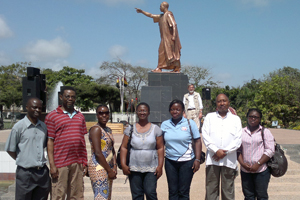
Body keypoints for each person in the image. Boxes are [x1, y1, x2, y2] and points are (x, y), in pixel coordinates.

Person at [45, 86, 88, 200]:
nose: (70, 99)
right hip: (60, 163)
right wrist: (52, 165)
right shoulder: (52, 116)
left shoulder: (80, 116)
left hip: (77, 162)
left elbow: (81, 141)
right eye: (67, 96)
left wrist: (84, 161)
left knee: (77, 195)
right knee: (58, 195)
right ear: (61, 97)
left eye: (72, 97)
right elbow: (50, 141)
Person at [5, 97, 51, 199]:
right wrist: (23, 159)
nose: (37, 110)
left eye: (39, 108)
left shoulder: (43, 127)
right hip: (26, 173)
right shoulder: (18, 127)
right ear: (27, 108)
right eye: (34, 107)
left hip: (42, 173)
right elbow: (10, 149)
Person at [120, 102, 164, 200]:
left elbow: (160, 148)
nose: (142, 112)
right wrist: (123, 164)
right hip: (134, 167)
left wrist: (160, 166)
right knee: (137, 195)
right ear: (136, 112)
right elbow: (124, 147)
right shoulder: (130, 129)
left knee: (150, 192)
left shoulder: (156, 129)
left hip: (151, 167)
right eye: (140, 110)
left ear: (148, 113)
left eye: (144, 110)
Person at [202, 94, 242, 200]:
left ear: (228, 103)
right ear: (216, 104)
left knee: (228, 191)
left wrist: (224, 152)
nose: (222, 103)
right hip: (212, 159)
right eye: (219, 101)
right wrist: (216, 150)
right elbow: (205, 136)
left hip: (229, 160)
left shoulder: (236, 119)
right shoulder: (209, 117)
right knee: (211, 190)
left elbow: (238, 139)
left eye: (224, 101)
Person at [161, 99, 202, 200]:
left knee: (183, 192)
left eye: (178, 109)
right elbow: (160, 144)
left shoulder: (190, 123)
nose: (175, 111)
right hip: (170, 162)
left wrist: (197, 159)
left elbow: (197, 141)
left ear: (183, 110)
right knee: (172, 191)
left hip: (187, 162)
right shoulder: (165, 124)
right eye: (172, 109)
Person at [238, 108, 275, 200]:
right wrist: (242, 164)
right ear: (247, 117)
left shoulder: (265, 132)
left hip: (261, 170)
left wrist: (258, 164)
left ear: (260, 119)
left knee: (261, 196)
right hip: (245, 170)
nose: (253, 119)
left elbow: (270, 150)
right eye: (251, 116)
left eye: (256, 117)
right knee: (248, 196)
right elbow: (237, 150)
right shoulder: (241, 132)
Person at [135, 2, 181, 73]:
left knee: (171, 53)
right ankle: (160, 67)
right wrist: (142, 12)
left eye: (160, 6)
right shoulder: (161, 16)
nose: (159, 8)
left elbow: (174, 25)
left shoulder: (168, 14)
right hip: (164, 38)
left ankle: (176, 68)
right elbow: (151, 15)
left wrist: (174, 36)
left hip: (169, 38)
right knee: (162, 52)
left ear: (164, 6)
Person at [88, 105, 117, 200]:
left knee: (107, 196)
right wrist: (109, 170)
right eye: (101, 113)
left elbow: (111, 149)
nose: (104, 115)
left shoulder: (108, 130)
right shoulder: (96, 129)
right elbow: (97, 152)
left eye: (106, 113)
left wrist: (114, 166)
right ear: (97, 115)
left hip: (108, 166)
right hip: (99, 167)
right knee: (101, 196)